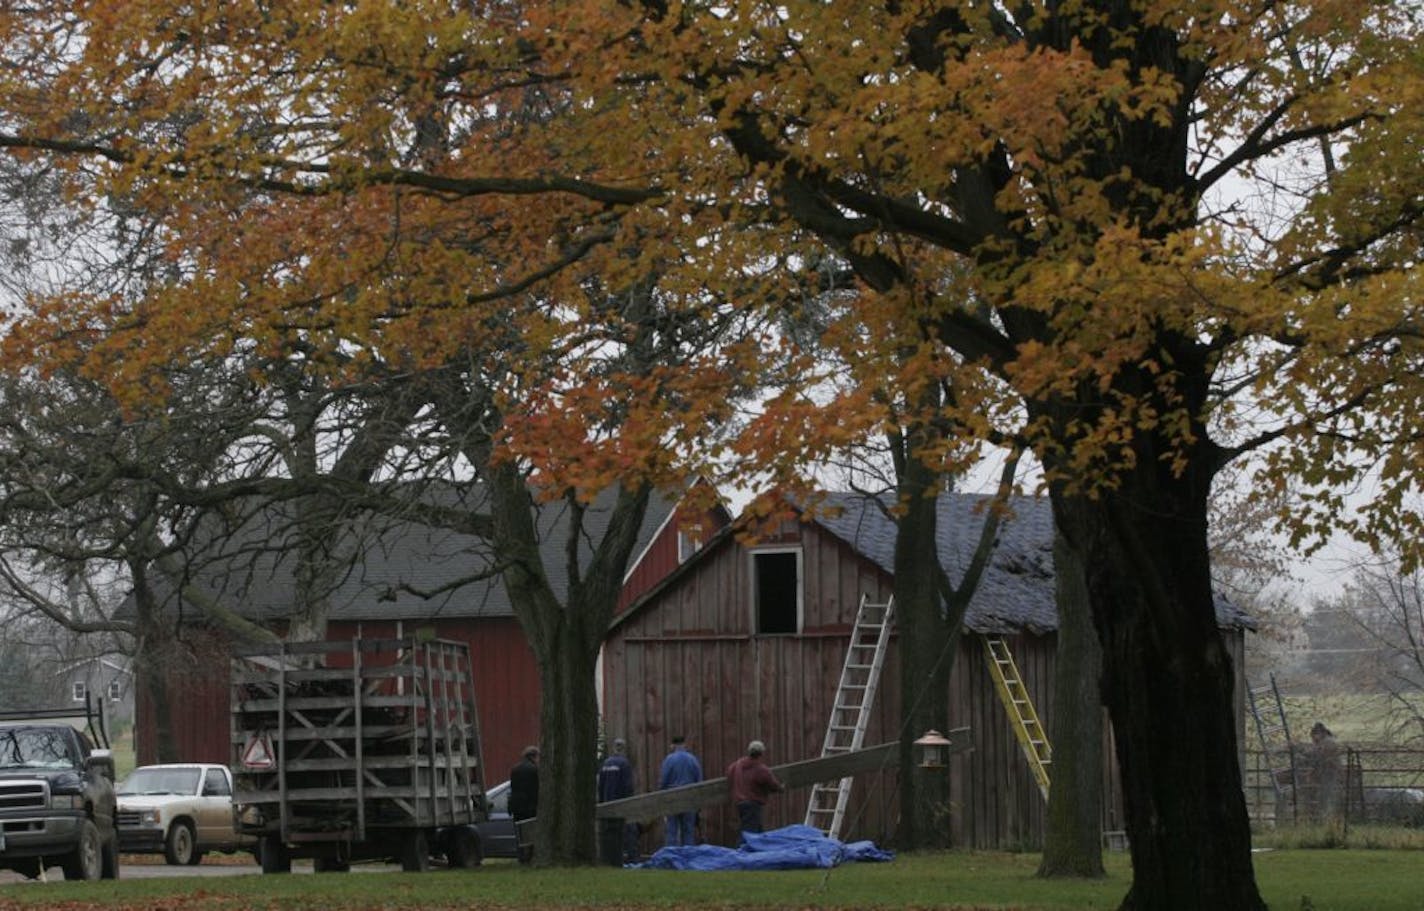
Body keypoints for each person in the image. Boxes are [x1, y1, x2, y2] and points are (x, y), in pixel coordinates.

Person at [726, 739, 784, 839]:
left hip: (740, 803)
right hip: (752, 804)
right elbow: (773, 784)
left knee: (757, 829)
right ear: (761, 753)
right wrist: (781, 788)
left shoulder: (737, 765)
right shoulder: (761, 769)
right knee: (750, 834)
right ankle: (742, 852)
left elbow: (729, 774)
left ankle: (757, 850)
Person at [597, 737, 639, 864]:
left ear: (614, 748)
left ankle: (610, 858)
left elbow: (600, 785)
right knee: (629, 830)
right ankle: (631, 858)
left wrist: (602, 801)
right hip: (621, 804)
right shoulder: (624, 764)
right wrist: (630, 801)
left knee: (609, 832)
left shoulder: (605, 764)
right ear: (623, 748)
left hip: (607, 803)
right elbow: (628, 786)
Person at [657, 734, 703, 846]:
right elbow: (699, 780)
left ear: (672, 745)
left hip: (672, 798)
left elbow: (663, 781)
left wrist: (660, 796)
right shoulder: (692, 759)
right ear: (684, 744)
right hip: (689, 798)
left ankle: (671, 858)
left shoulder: (669, 759)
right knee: (688, 830)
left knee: (672, 830)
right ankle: (687, 858)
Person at [509, 745, 540, 863]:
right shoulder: (534, 770)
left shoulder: (515, 769)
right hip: (530, 806)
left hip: (517, 806)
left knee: (519, 833)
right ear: (533, 756)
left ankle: (521, 856)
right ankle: (530, 856)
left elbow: (513, 787)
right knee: (531, 832)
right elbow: (536, 789)